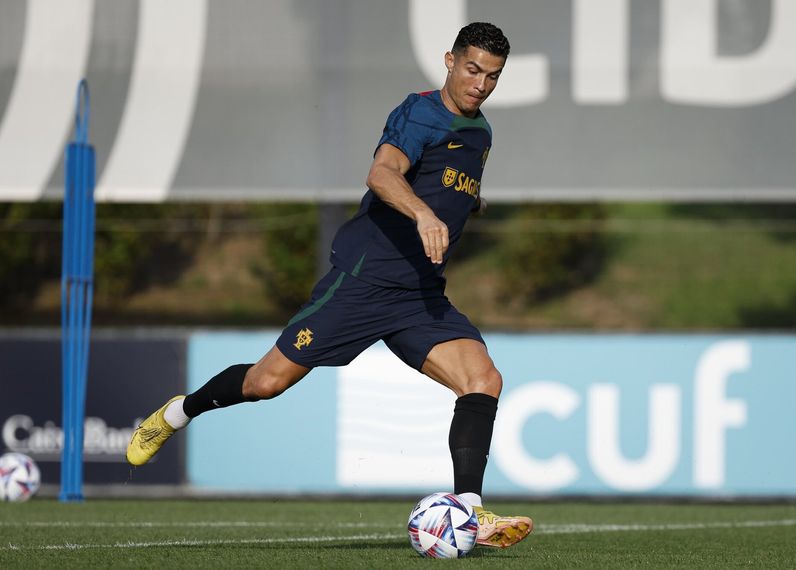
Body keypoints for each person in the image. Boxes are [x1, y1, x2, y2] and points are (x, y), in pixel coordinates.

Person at [126, 22, 532, 549]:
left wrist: (465, 203)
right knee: (265, 383)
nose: (480, 84)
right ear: (450, 60)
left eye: (493, 76)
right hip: (364, 281)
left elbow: (452, 183)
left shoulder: (482, 134)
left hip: (419, 296)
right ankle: (177, 414)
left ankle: (471, 514)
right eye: (473, 69)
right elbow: (382, 174)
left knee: (483, 380)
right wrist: (425, 212)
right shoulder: (420, 112)